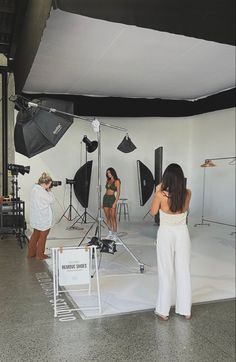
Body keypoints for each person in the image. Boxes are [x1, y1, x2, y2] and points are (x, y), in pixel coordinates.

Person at [150, 163, 192, 321]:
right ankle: (185, 310)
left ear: (166, 178)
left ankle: (163, 311)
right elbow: (184, 210)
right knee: (184, 271)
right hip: (182, 233)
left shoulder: (161, 194)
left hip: (166, 233)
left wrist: (157, 192)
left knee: (165, 271)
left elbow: (153, 212)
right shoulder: (187, 193)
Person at [27, 172, 54, 260]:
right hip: (43, 218)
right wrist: (49, 191)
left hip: (36, 217)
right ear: (46, 184)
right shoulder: (43, 192)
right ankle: (40, 255)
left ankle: (31, 253)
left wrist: (46, 189)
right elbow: (51, 200)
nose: (50, 186)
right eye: (49, 184)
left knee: (35, 235)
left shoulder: (34, 188)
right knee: (43, 236)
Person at [102, 167, 121, 240]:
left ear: (113, 172)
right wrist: (102, 202)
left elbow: (118, 193)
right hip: (105, 198)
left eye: (109, 172)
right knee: (108, 217)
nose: (108, 174)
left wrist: (115, 203)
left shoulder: (117, 181)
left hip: (112, 199)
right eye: (107, 173)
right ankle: (110, 233)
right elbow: (106, 191)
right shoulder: (108, 180)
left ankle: (115, 234)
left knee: (113, 218)